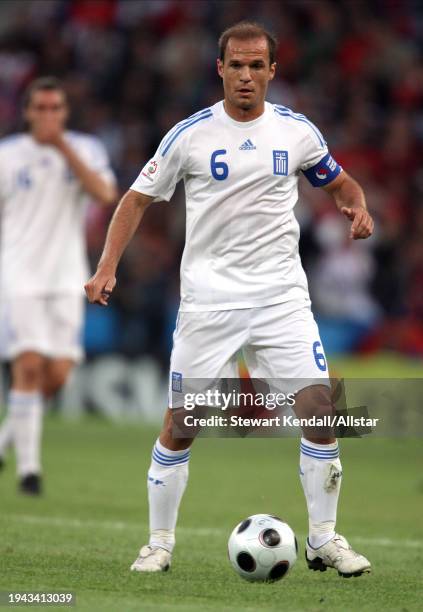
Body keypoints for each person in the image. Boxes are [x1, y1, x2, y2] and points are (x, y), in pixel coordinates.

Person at [85, 22, 374, 577]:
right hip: (209, 302)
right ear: (219, 69)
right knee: (182, 424)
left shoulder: (297, 132)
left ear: (272, 71)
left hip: (281, 299)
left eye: (255, 66)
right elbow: (135, 200)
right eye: (235, 65)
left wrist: (356, 207)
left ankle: (323, 540)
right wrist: (106, 266)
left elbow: (341, 183)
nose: (245, 76)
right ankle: (159, 544)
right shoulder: (189, 135)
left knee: (321, 412)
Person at [0, 77, 117, 494]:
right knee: (28, 366)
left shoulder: (85, 149)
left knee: (58, 375)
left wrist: (62, 148)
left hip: (69, 276)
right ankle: (29, 471)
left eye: (56, 108)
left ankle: (4, 441)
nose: (48, 115)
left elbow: (105, 193)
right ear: (27, 112)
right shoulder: (8, 156)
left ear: (65, 113)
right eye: (41, 108)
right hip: (19, 276)